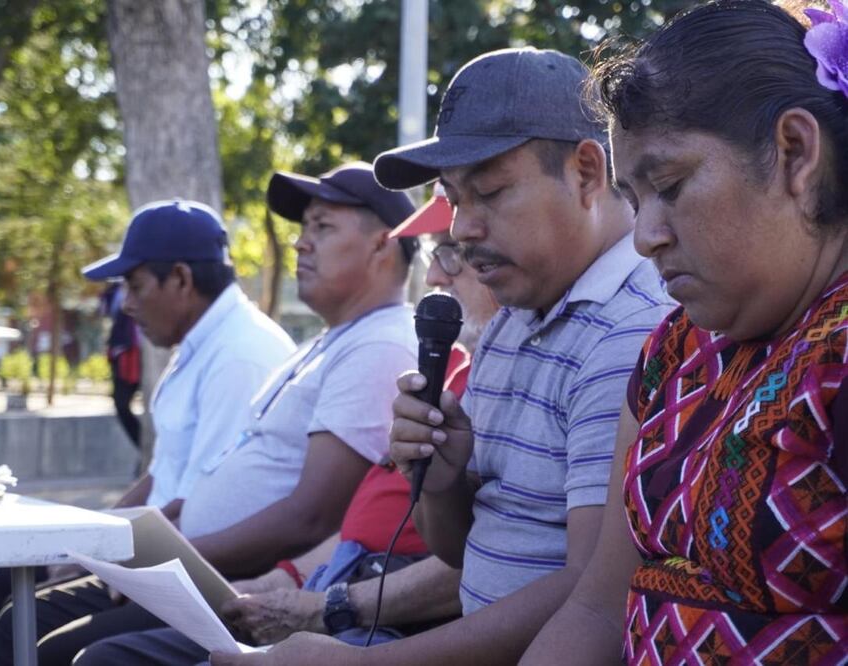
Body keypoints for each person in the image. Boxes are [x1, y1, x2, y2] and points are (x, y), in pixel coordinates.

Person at [211, 47, 673, 666]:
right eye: (455, 198)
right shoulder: (512, 320)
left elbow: (591, 595)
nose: (461, 228)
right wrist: (442, 481)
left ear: (587, 173)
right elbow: (459, 551)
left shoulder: (631, 331)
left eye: (489, 192)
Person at [520, 1, 848, 662]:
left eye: (669, 185)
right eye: (634, 201)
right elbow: (596, 607)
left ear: (793, 152)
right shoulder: (674, 352)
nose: (645, 237)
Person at [18, 161, 420, 666]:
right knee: (29, 611)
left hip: (250, 584)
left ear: (383, 244)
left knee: (60, 644)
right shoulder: (331, 341)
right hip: (206, 566)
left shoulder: (379, 344)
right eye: (303, 229)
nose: (300, 243)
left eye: (322, 227)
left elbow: (312, 517)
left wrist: (170, 560)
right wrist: (137, 538)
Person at [0, 199, 295, 664]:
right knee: (7, 577)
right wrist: (88, 539)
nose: (126, 304)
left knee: (30, 625)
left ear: (182, 280)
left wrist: (104, 557)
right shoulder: (203, 342)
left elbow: (201, 506)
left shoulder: (241, 356)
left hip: (199, 573)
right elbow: (160, 476)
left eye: (135, 285)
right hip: (162, 552)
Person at [218, 186, 499, 649]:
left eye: (453, 253)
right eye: (436, 253)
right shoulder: (450, 369)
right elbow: (365, 523)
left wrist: (329, 605)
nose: (431, 277)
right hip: (343, 585)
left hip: (380, 616)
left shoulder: (402, 351)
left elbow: (488, 559)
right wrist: (284, 578)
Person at [100, 282, 141, 448]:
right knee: (121, 404)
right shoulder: (112, 292)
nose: (128, 305)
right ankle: (144, 448)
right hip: (123, 352)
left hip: (141, 352)